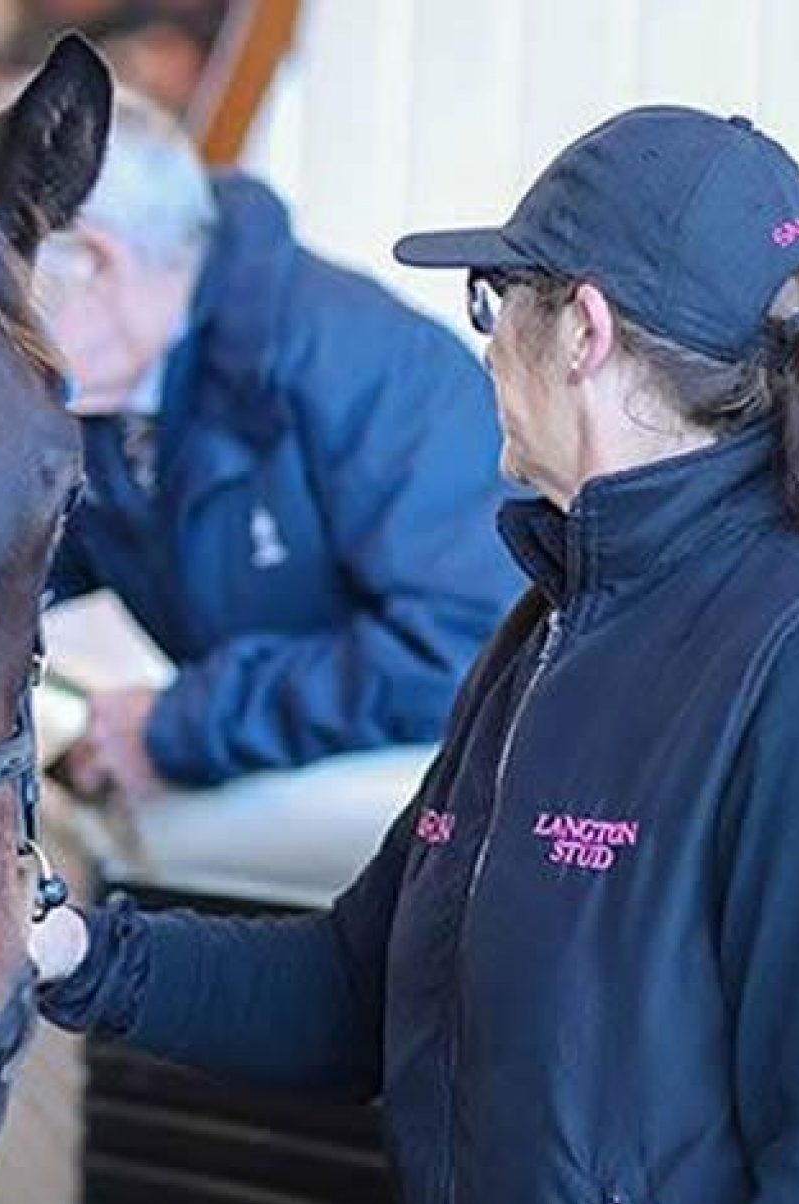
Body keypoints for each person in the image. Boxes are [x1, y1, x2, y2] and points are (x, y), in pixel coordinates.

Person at [31, 106, 799, 1204]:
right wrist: (74, 956)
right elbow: (356, 989)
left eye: (495, 301)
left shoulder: (792, 654)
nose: (485, 345)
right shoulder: (547, 624)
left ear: (585, 334)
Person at [35, 90, 517, 799]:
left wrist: (183, 726)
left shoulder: (369, 370)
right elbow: (23, 558)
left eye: (8, 282)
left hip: (420, 806)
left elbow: (464, 647)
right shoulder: (110, 389)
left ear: (100, 263)